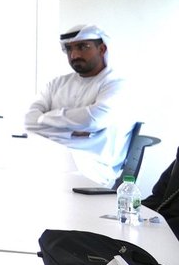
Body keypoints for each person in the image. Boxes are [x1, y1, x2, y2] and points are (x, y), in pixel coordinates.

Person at [25, 23, 132, 170]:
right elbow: (28, 121)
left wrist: (44, 118)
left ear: (102, 49)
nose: (74, 55)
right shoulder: (57, 83)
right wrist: (71, 131)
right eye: (69, 49)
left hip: (92, 167)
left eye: (83, 47)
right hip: (50, 157)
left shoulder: (117, 83)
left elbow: (93, 120)